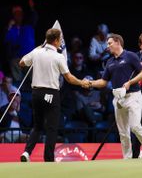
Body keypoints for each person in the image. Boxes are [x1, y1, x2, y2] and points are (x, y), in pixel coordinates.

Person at [19, 28, 89, 162]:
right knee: (51, 128)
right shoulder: (58, 56)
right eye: (60, 40)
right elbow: (68, 78)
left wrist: (38, 49)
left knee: (38, 126)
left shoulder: (37, 51)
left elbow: (21, 63)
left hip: (36, 93)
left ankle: (27, 152)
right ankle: (49, 159)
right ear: (56, 40)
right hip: (50, 93)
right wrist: (82, 82)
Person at [87, 33, 142, 159]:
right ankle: (127, 157)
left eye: (109, 43)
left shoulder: (130, 56)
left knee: (135, 126)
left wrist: (130, 82)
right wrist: (90, 83)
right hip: (118, 98)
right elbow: (103, 82)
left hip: (133, 96)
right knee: (123, 132)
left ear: (118, 42)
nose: (107, 46)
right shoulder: (109, 61)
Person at [3, 0, 38, 83]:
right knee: (14, 64)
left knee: (34, 70)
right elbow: (6, 40)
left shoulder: (28, 27)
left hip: (29, 56)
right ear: (13, 16)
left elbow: (34, 18)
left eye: (20, 14)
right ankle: (18, 87)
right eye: (16, 14)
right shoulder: (11, 29)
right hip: (17, 58)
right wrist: (9, 27)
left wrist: (32, 8)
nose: (18, 16)